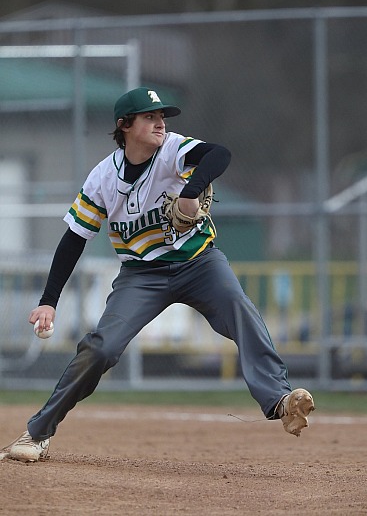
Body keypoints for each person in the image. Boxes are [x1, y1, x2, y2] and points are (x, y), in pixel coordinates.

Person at [0, 87, 314, 463]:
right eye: (150, 117)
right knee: (101, 348)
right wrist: (49, 300)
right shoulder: (103, 177)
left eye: (162, 116)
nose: (160, 123)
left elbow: (219, 154)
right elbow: (74, 239)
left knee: (238, 306)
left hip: (199, 262)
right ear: (125, 125)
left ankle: (279, 398)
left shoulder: (172, 150)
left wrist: (190, 191)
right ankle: (37, 432)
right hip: (140, 275)